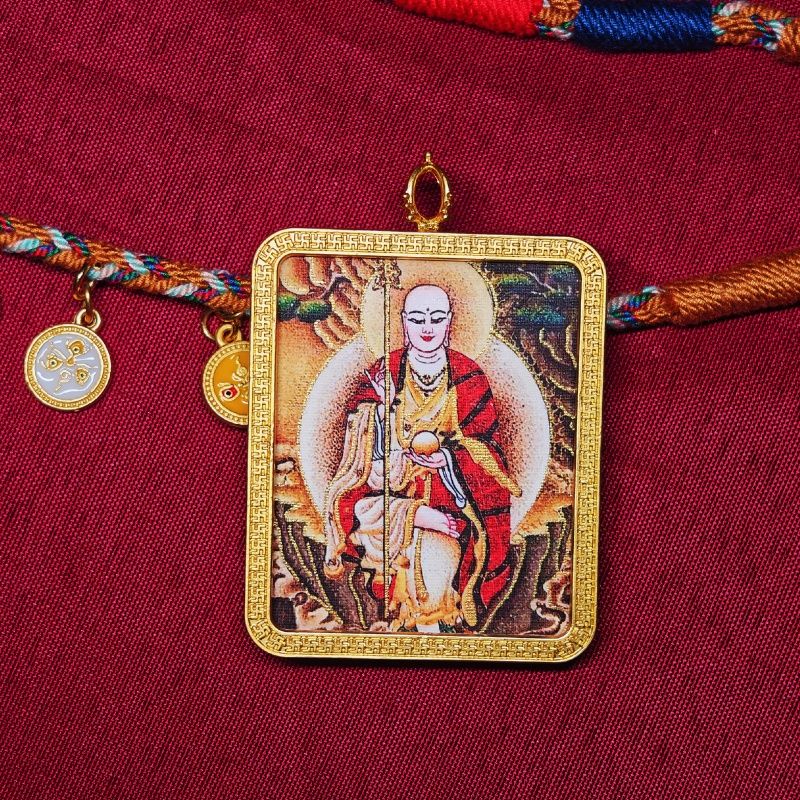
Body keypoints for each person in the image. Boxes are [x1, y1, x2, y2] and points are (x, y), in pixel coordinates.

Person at [323, 284, 520, 632]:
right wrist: (381, 412)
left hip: (452, 500)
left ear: (449, 322)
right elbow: (361, 465)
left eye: (436, 318)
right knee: (365, 514)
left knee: (435, 564)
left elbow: (487, 452)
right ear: (403, 322)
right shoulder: (384, 373)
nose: (427, 328)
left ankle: (434, 627)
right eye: (417, 319)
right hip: (387, 501)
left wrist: (450, 461)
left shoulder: (469, 377)